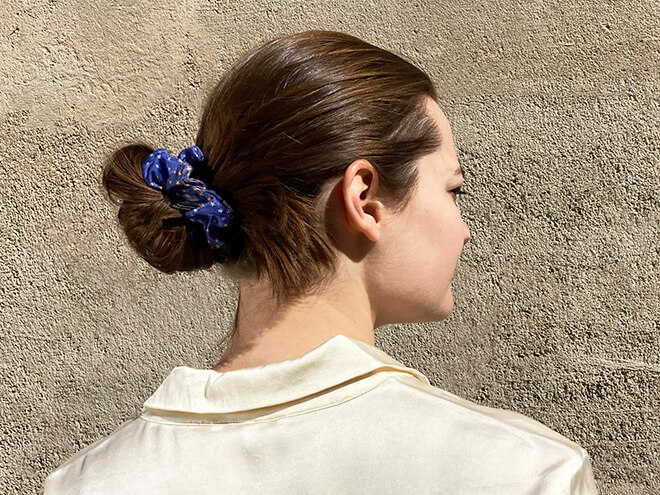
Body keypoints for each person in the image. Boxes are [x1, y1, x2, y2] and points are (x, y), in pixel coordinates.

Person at [44, 29, 598, 494]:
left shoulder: (86, 483)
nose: (465, 230)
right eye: (453, 189)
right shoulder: (522, 473)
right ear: (366, 199)